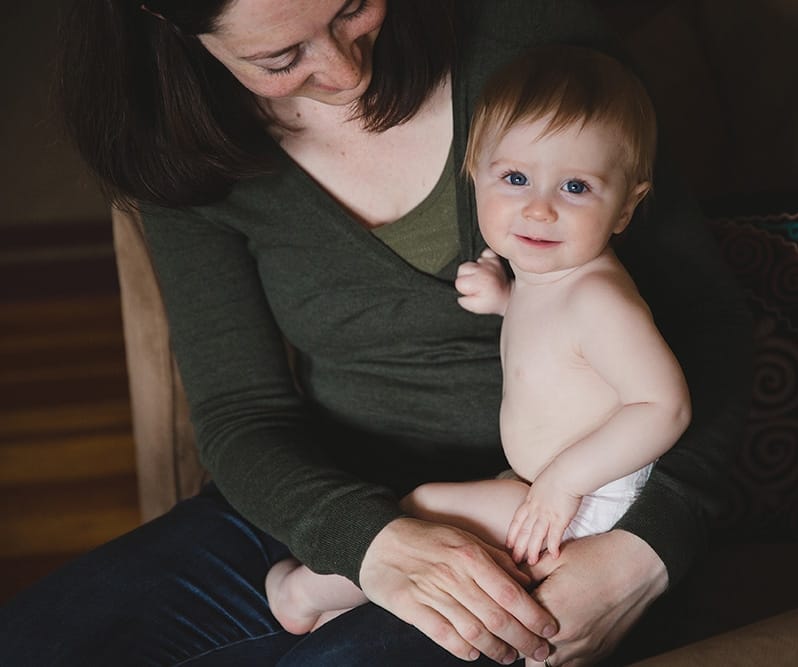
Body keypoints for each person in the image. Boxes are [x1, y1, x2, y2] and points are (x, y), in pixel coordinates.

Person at [0, 0, 752, 665]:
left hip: (545, 533)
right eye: (281, 56)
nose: (344, 70)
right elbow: (240, 412)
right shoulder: (174, 142)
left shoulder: (533, 41)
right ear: (168, 21)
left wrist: (641, 555)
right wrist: (367, 541)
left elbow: (708, 333)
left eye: (353, 6)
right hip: (326, 495)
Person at [264, 45, 693, 643]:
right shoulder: (552, 279)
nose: (539, 208)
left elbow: (664, 406)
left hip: (588, 506)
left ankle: (302, 594)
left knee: (423, 512)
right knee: (452, 543)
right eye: (515, 178)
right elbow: (562, 349)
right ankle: (358, 610)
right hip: (543, 488)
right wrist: (505, 300)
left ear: (626, 206)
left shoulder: (602, 300)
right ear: (476, 173)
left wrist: (562, 484)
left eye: (576, 186)